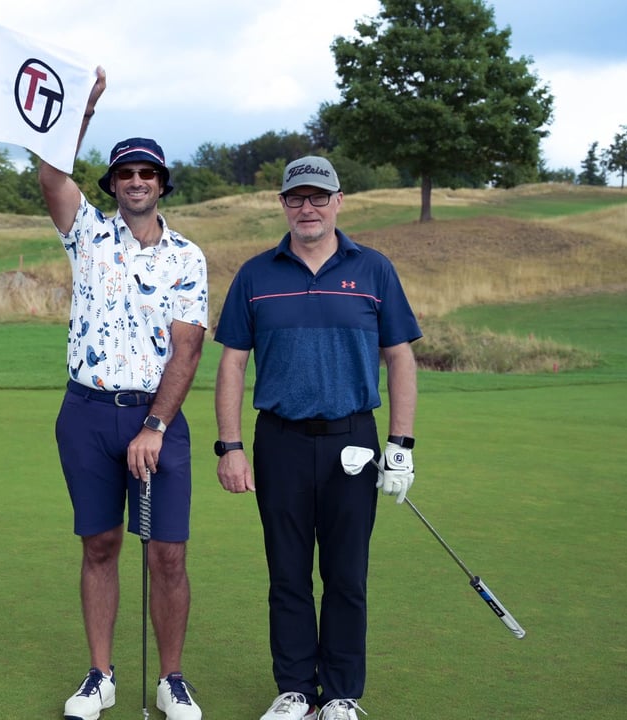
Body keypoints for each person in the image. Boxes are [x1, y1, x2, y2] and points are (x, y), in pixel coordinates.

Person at [213, 156, 421, 720]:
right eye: (296, 198)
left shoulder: (373, 270)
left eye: (318, 197)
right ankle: (296, 690)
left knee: (347, 574)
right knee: (287, 572)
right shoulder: (256, 275)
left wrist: (400, 445)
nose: (307, 208)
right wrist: (229, 447)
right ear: (282, 204)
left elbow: (400, 357)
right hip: (278, 441)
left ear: (338, 201)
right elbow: (232, 365)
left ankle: (342, 695)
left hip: (353, 441)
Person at [38, 67, 208, 720]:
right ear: (113, 185)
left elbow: (187, 349)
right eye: (126, 174)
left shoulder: (187, 257)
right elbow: (53, 177)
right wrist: (78, 111)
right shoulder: (87, 233)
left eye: (148, 174)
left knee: (166, 553)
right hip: (85, 413)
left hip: (154, 418)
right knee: (100, 545)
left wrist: (156, 426)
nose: (137, 183)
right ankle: (100, 675)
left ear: (162, 183)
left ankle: (172, 680)